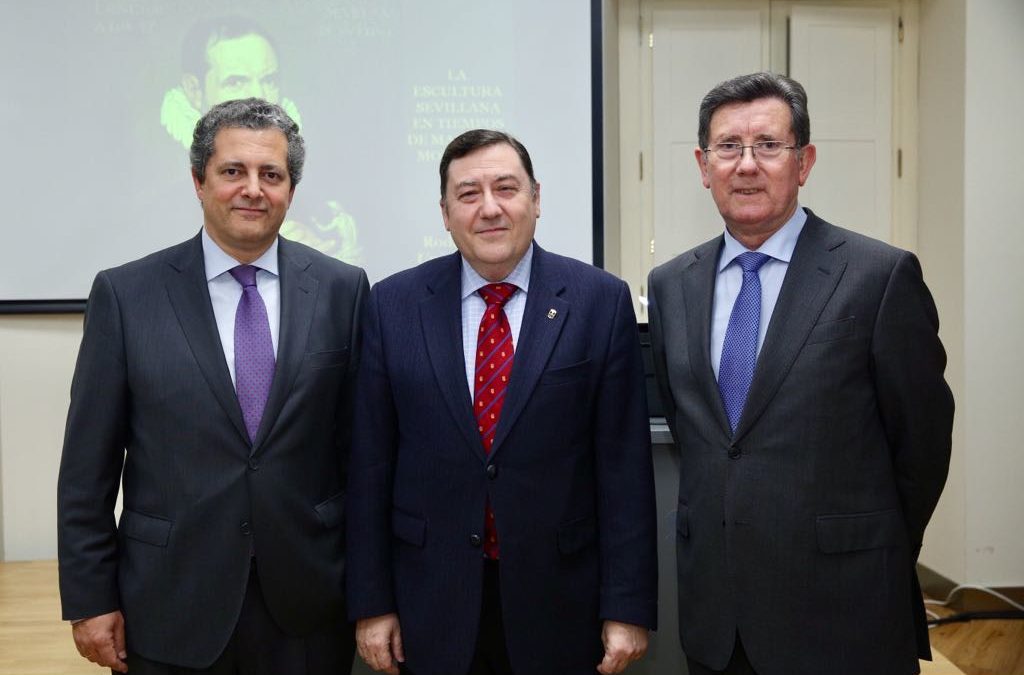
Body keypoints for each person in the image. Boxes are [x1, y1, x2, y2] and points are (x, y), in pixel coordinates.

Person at [647, 72, 954, 675]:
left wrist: (871, 543)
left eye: (768, 145)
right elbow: (701, 438)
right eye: (728, 147)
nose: (747, 165)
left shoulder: (878, 276)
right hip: (719, 617)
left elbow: (922, 443)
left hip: (846, 610)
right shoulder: (671, 286)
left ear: (805, 161)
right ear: (703, 165)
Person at [57, 97, 367, 674]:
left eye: (271, 175)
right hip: (170, 601)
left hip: (308, 601)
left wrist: (372, 594)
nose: (253, 189)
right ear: (199, 181)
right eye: (233, 172)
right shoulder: (127, 296)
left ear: (290, 191)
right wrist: (90, 599)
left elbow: (361, 455)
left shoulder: (342, 290)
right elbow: (86, 469)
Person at [345, 129, 658, 675]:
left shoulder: (599, 301)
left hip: (561, 601)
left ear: (536, 199)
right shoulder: (392, 305)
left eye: (506, 189)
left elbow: (623, 470)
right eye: (468, 194)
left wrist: (627, 607)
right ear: (445, 213)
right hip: (431, 600)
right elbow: (371, 465)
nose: (489, 208)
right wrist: (372, 604)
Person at [160, 16, 360, 263]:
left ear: (291, 190)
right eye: (232, 172)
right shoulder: (151, 203)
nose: (259, 94)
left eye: (268, 80)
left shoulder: (341, 279)